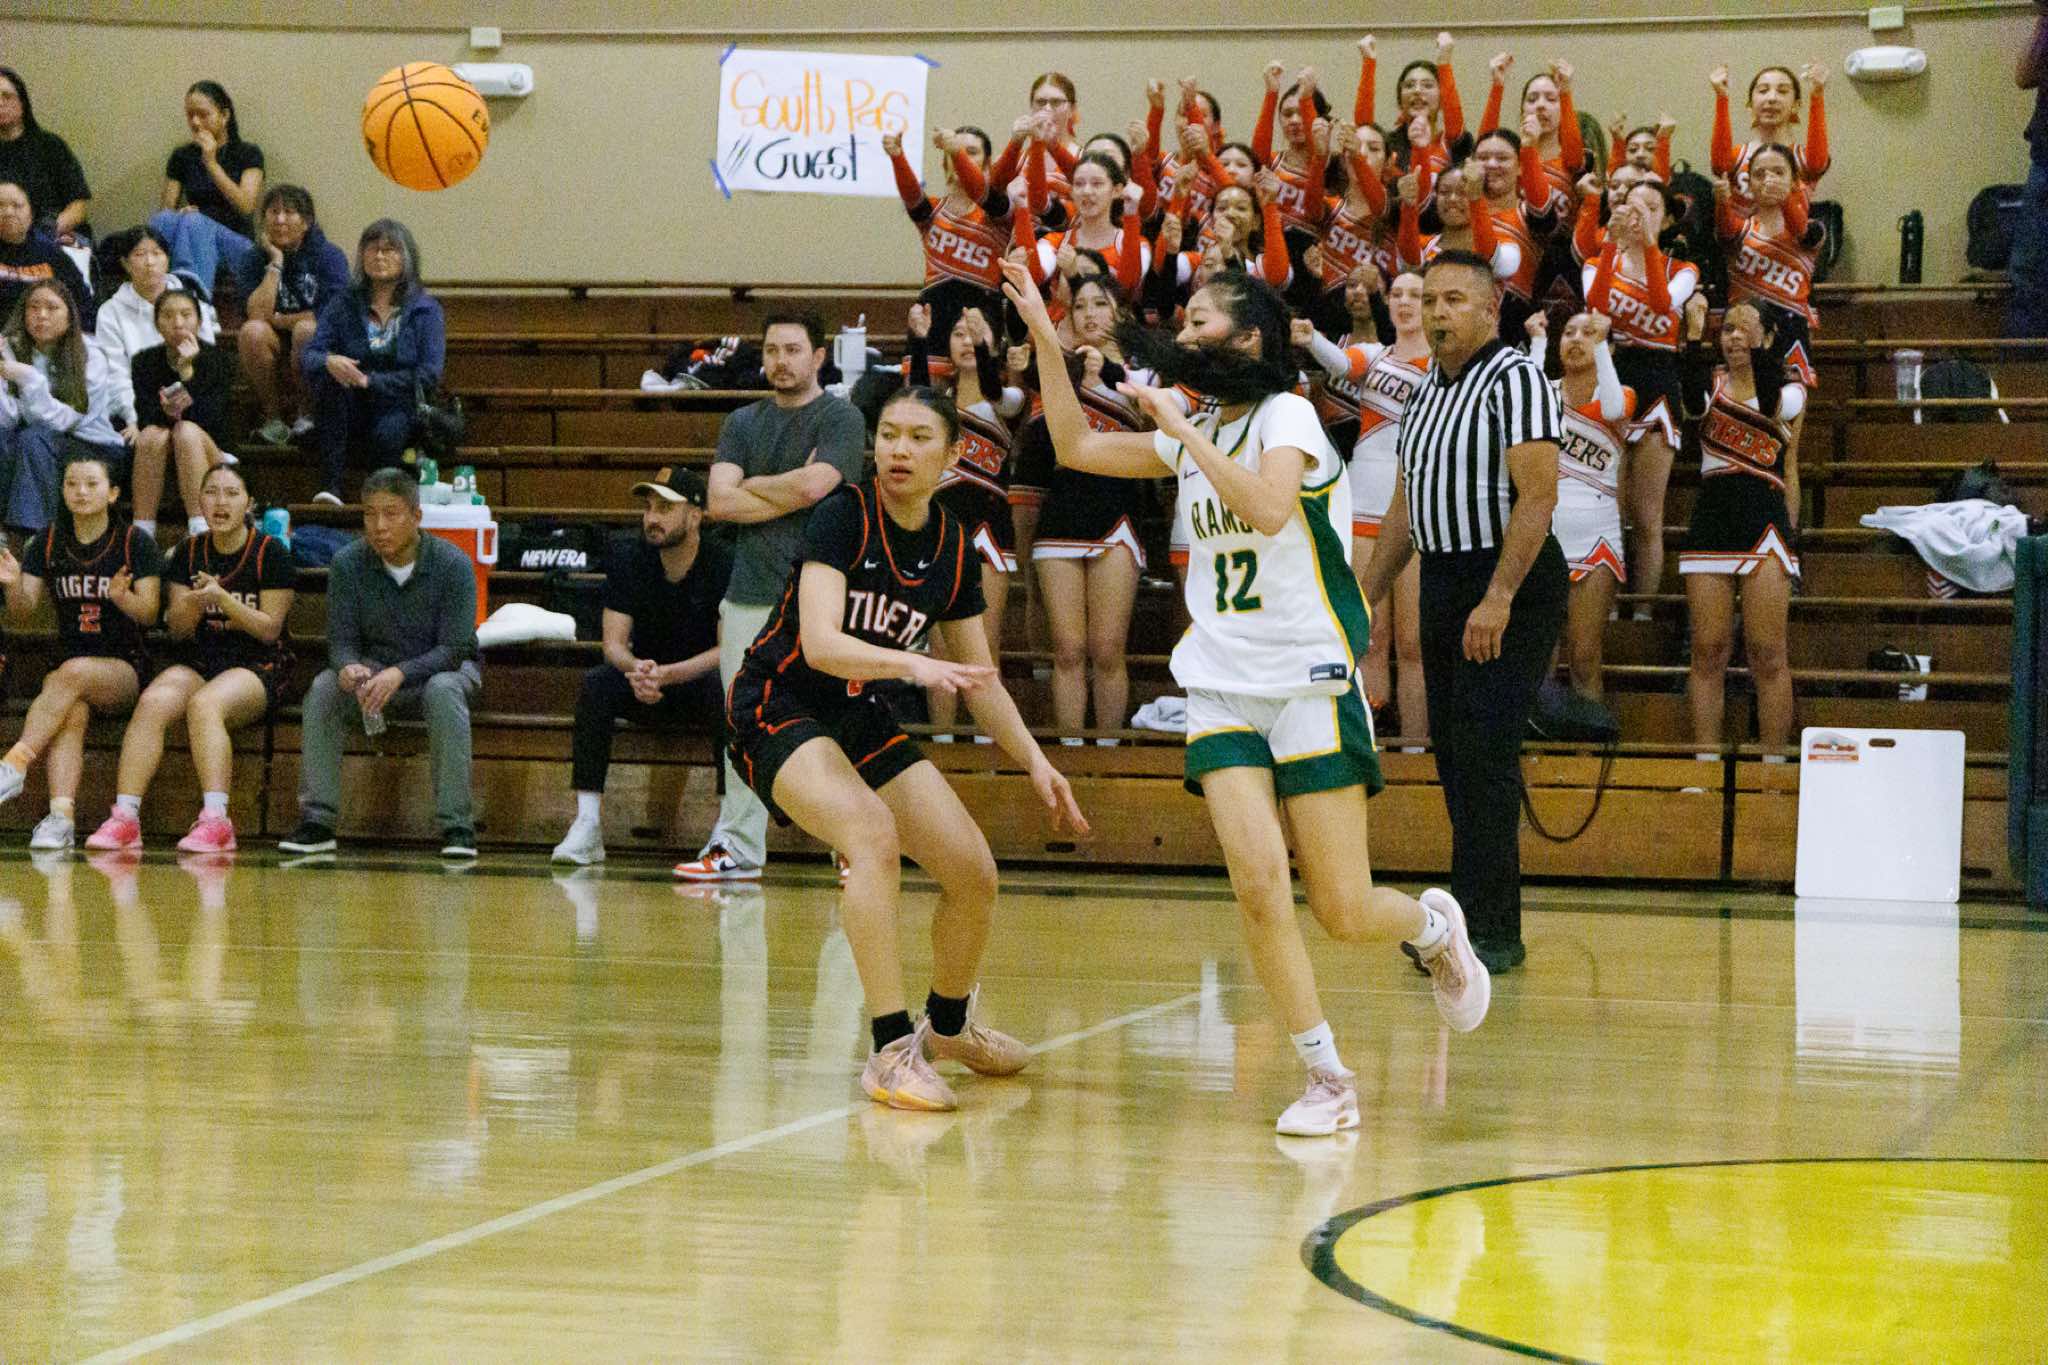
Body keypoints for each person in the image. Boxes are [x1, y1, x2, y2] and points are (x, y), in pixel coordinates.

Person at [1004, 257, 1487, 1136]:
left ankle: (1430, 929)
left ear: (1250, 338)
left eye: (1199, 322)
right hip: (1222, 682)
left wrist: (1181, 436)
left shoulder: (1286, 414)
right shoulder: (1194, 424)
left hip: (1308, 677)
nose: (1183, 335)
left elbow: (1268, 507)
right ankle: (1326, 1076)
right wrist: (1045, 335)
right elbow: (1076, 447)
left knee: (1342, 908)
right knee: (1259, 886)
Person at [726, 385, 1088, 1112]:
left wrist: (1037, 762)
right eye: (889, 434)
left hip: (858, 710)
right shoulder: (844, 516)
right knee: (870, 834)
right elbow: (821, 644)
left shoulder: (952, 545)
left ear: (952, 455)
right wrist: (912, 665)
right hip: (779, 700)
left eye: (919, 437)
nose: (898, 449)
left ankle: (948, 1028)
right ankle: (891, 1050)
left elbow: (980, 679)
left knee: (973, 871)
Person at [1361, 249, 1567, 974]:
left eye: (1454, 299)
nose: (1438, 312)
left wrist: (1500, 596)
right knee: (1454, 755)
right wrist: (1365, 594)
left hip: (1509, 577)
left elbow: (1538, 496)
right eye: (1430, 300)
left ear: (1490, 309)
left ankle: (1493, 931)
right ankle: (1466, 920)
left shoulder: (1516, 378)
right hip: (1444, 576)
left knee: (1483, 750)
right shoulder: (1423, 394)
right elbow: (1405, 508)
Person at [682, 313, 867, 882]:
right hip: (749, 592)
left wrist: (751, 487)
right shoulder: (742, 420)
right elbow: (719, 503)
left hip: (820, 594)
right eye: (771, 350)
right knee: (743, 722)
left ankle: (850, 844)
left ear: (819, 357)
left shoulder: (842, 417)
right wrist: (787, 487)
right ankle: (738, 846)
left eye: (792, 349)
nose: (780, 361)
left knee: (832, 718)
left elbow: (818, 487)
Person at [83, 463, 294, 853]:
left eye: (231, 493)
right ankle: (125, 817)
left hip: (258, 662)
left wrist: (224, 599)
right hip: (202, 659)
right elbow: (178, 631)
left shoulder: (270, 552)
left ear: (248, 503)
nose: (221, 502)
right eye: (211, 492)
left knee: (205, 704)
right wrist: (194, 604)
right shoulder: (189, 551)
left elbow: (269, 629)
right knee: (153, 701)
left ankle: (217, 821)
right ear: (200, 501)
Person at [279, 468, 480, 860]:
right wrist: (347, 667)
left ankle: (457, 827)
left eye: (391, 513)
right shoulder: (347, 563)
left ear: (416, 516)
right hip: (376, 670)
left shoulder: (453, 564)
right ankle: (317, 821)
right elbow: (341, 641)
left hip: (443, 672)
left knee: (443, 690)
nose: (379, 526)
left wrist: (401, 673)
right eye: (370, 514)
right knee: (324, 688)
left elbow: (454, 648)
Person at [552, 465, 731, 866]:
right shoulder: (629, 557)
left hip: (697, 685)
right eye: (649, 507)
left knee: (729, 687)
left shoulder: (723, 562)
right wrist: (638, 670)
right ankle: (587, 823)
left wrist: (670, 674)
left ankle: (727, 827)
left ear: (695, 516)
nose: (652, 518)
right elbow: (613, 645)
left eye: (665, 508)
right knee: (597, 683)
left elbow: (727, 649)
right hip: (644, 682)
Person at [1009, 274, 1151, 741]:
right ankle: (1072, 754)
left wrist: (1110, 372)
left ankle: (1107, 757)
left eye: (1100, 304)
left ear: (1120, 312)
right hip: (1061, 514)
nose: (1090, 313)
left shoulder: (1141, 374)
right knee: (1068, 651)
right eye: (1081, 306)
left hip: (1118, 514)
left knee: (1108, 650)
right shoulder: (1058, 369)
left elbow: (1156, 421)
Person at [0, 451, 164, 850]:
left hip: (124, 668)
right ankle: (61, 819)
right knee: (70, 708)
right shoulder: (48, 540)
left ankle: (15, 763)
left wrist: (124, 599)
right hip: (68, 671)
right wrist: (11, 582)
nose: (81, 492)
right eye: (72, 484)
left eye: (91, 484)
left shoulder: (134, 543)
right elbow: (24, 611)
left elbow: (150, 613)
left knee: (70, 675)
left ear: (113, 493)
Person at [1296, 268, 1432, 742]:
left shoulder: (1446, 367)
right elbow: (1339, 363)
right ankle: (1371, 746)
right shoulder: (1374, 355)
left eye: (1416, 295)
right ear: (1386, 302)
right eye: (1398, 294)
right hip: (1364, 503)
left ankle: (1415, 750)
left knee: (1413, 643)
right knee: (1369, 635)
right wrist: (1312, 338)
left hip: (1418, 508)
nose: (1406, 302)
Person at [1680, 300, 1801, 759]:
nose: (1734, 336)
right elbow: (1692, 406)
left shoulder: (1792, 391)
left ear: (1768, 337)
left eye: (1746, 328)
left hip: (1764, 522)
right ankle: (1704, 770)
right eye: (1728, 328)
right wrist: (1694, 336)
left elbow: (1773, 409)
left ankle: (1771, 772)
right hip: (1712, 519)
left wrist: (1792, 531)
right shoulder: (1710, 383)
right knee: (1708, 650)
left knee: (1767, 652)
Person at [906, 303, 1025, 739]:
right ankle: (943, 744)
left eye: (976, 332)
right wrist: (919, 340)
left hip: (990, 531)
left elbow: (996, 390)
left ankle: (989, 745)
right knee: (939, 648)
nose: (967, 339)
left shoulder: (1009, 399)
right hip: (939, 530)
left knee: (983, 647)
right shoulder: (937, 402)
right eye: (958, 333)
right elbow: (917, 400)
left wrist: (984, 346)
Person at [1585, 180, 1694, 609]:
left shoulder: (1682, 269)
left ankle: (1644, 614)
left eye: (1651, 208)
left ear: (1666, 221)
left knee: (1647, 517)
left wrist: (1648, 245)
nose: (1639, 214)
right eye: (1633, 206)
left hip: (1659, 382)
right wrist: (1611, 245)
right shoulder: (1598, 261)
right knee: (1607, 510)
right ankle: (1606, 607)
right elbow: (1595, 303)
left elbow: (1662, 303)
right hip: (1612, 377)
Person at [1525, 310, 1632, 699]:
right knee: (1539, 657)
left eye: (1587, 333)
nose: (1575, 339)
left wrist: (1601, 346)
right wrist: (1537, 341)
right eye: (1568, 332)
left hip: (1597, 538)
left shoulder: (1620, 394)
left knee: (1585, 658)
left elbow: (1614, 411)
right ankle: (1540, 737)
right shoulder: (1545, 393)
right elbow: (1525, 400)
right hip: (1542, 536)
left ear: (1605, 345)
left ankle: (1588, 738)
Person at [301, 219, 444, 505]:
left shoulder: (425, 309)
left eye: (389, 250)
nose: (379, 256)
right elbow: (310, 355)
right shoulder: (344, 303)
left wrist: (371, 381)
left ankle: (379, 501)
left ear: (406, 257)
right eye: (372, 249)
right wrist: (329, 361)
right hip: (349, 402)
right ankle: (330, 488)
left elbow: (429, 374)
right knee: (331, 387)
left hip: (398, 403)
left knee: (388, 433)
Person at [0, 280, 122, 533]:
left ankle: (35, 536)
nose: (41, 315)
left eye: (52, 308)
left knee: (33, 438)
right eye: (33, 307)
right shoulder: (12, 347)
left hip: (90, 442)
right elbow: (7, 419)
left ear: (69, 316)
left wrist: (29, 379)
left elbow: (67, 421)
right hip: (31, 437)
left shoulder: (90, 354)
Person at [235, 184, 349, 447]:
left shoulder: (329, 256)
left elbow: (332, 314)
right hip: (273, 340)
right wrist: (275, 262)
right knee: (252, 332)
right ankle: (273, 419)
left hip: (317, 341)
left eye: (289, 212)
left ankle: (306, 416)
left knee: (306, 330)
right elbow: (256, 315)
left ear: (306, 222)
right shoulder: (253, 259)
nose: (280, 220)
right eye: (273, 212)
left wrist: (281, 320)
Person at [92, 225, 221, 445]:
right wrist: (134, 419)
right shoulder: (110, 312)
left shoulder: (193, 306)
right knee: (152, 439)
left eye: (157, 253)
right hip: (137, 410)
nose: (150, 262)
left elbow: (209, 363)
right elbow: (116, 376)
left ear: (167, 260)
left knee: (186, 435)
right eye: (140, 254)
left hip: (193, 404)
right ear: (125, 263)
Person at [128, 287, 232, 540]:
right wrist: (168, 412)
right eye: (168, 316)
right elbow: (145, 416)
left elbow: (213, 421)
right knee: (151, 434)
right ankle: (143, 532)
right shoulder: (144, 361)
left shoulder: (217, 359)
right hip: (161, 448)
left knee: (185, 432)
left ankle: (200, 527)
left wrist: (187, 373)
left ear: (199, 321)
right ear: (157, 324)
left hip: (211, 449)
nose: (178, 323)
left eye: (186, 315)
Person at [150, 81, 264, 297]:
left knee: (195, 222)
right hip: (193, 236)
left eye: (203, 115)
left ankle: (196, 301)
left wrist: (211, 163)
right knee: (162, 220)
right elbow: (167, 210)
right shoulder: (182, 156)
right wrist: (181, 213)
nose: (195, 122)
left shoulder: (247, 153)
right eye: (190, 115)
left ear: (224, 116)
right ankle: (154, 298)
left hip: (236, 243)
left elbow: (246, 207)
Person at [1709, 62, 1829, 220]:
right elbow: (1719, 166)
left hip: (1789, 235)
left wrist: (1817, 94)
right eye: (1763, 91)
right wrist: (1722, 97)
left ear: (1796, 105)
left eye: (1783, 91)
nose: (1772, 98)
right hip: (1740, 235)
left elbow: (1817, 164)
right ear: (1750, 106)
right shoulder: (1738, 156)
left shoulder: (1805, 159)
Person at [0, 68, 90, 243]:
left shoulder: (50, 146)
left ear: (22, 103)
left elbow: (78, 206)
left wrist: (43, 235)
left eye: (7, 96)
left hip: (53, 236)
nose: (0, 103)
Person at [0, 180, 94, 331]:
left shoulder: (52, 254)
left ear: (31, 214)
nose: (8, 212)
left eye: (17, 206)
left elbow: (83, 305)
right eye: (0, 206)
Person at [2012, 7, 2048, 338]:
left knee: (2031, 270)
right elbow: (2023, 76)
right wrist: (2044, 18)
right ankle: (2024, 359)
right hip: (2044, 159)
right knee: (2028, 271)